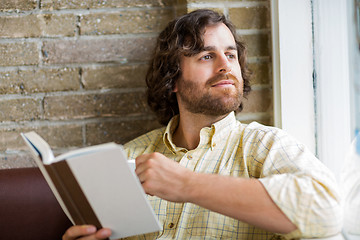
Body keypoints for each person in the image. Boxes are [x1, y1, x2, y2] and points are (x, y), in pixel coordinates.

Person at [63, 9, 342, 240]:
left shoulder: (266, 146)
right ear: (172, 78)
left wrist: (186, 184)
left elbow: (327, 212)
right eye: (207, 56)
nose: (226, 66)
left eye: (231, 55)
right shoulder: (127, 158)